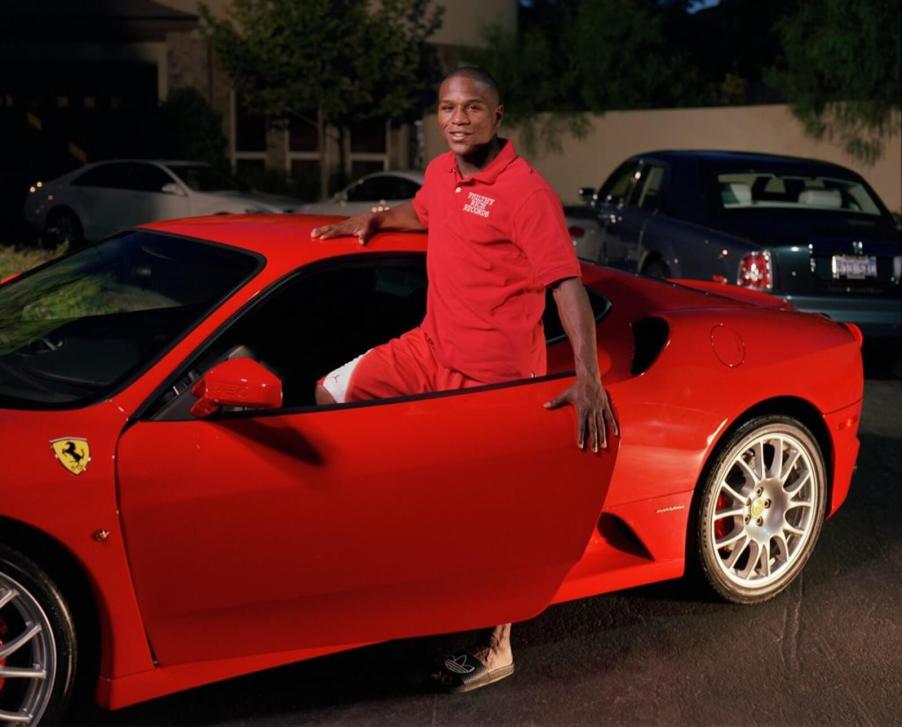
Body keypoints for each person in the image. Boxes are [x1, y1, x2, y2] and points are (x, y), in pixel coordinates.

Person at [311, 66, 618, 693]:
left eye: (472, 108)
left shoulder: (525, 192)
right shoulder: (440, 173)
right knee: (329, 395)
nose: (458, 119)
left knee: (494, 515)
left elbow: (566, 285)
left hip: (497, 378)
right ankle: (380, 560)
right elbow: (420, 212)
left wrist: (587, 376)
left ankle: (495, 644)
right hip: (429, 349)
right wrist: (371, 219)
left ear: (498, 116)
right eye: (448, 108)